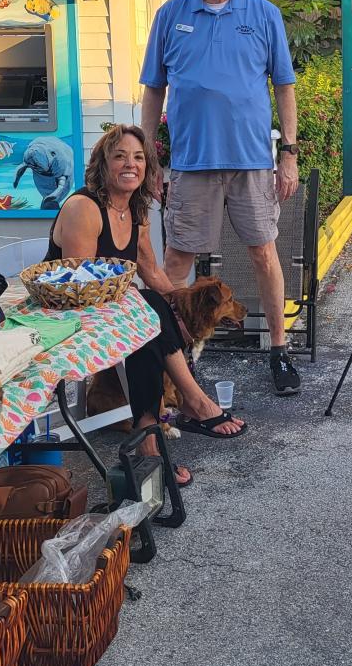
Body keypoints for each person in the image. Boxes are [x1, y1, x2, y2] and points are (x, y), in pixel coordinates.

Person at [140, 0, 303, 395]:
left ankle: (279, 351)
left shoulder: (264, 14)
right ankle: (166, 357)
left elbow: (284, 86)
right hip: (192, 164)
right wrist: (151, 157)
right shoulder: (170, 16)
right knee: (177, 261)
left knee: (263, 254)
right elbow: (154, 89)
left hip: (252, 161)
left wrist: (287, 153)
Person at [48, 124, 246, 484]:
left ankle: (152, 440)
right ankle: (191, 403)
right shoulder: (84, 208)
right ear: (102, 163)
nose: (131, 164)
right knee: (147, 311)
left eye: (138, 157)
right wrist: (148, 307)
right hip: (71, 317)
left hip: (117, 316)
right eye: (120, 155)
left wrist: (180, 305)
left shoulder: (135, 212)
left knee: (151, 316)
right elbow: (81, 286)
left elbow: (151, 269)